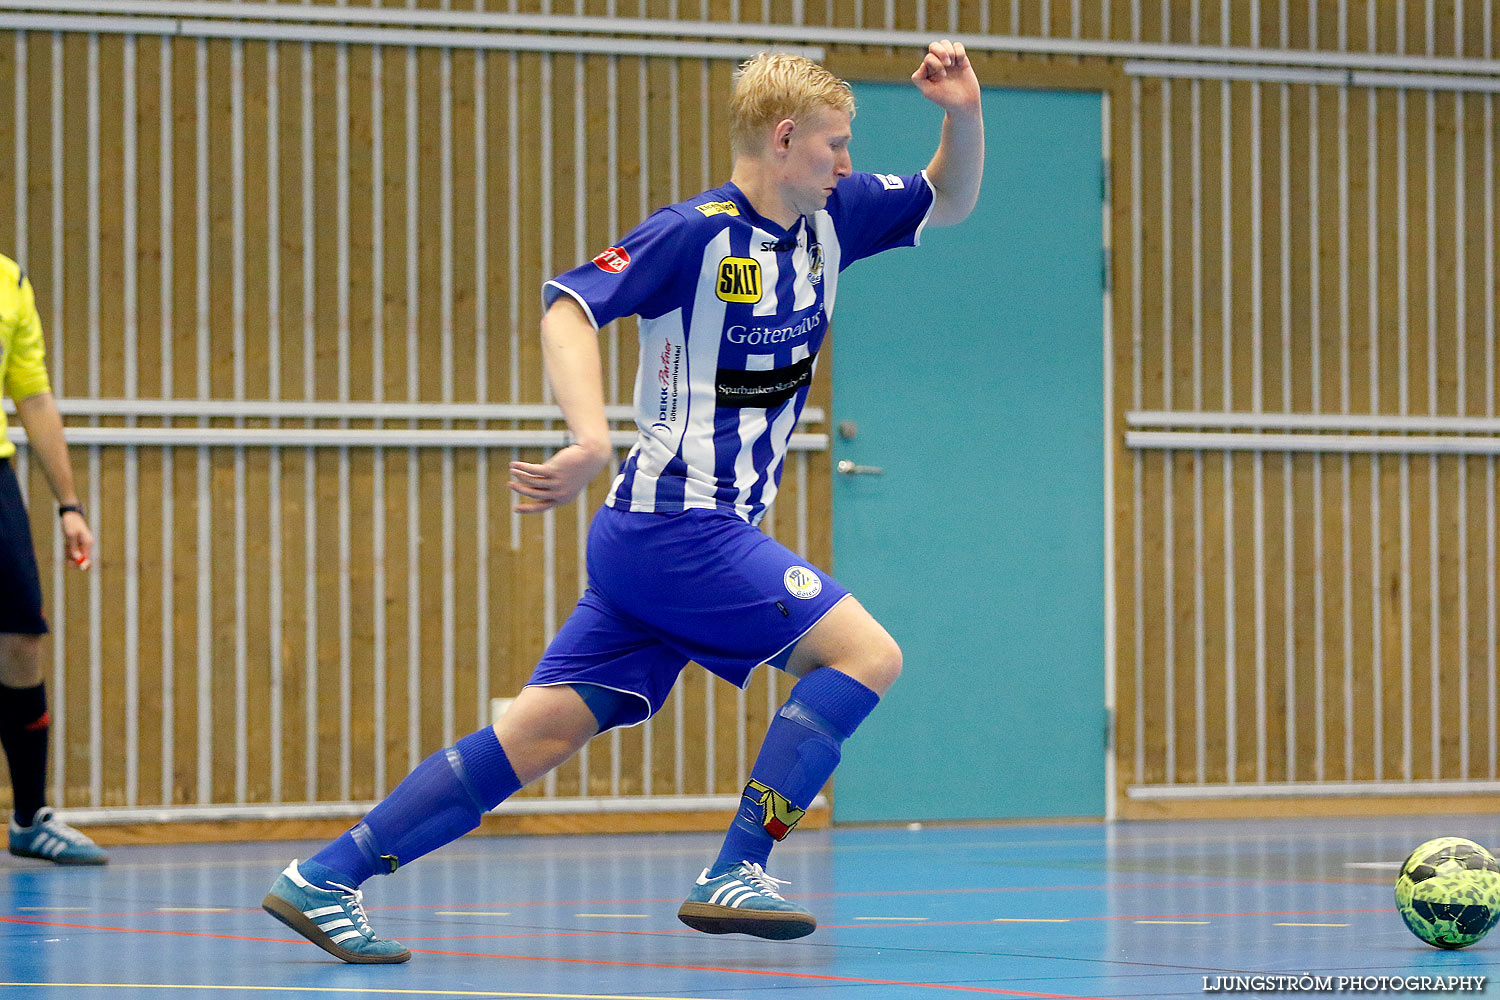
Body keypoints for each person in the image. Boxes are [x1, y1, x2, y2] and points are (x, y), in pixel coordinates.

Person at [262, 40, 983, 964]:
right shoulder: (693, 232)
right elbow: (566, 304)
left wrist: (961, 115)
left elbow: (949, 197)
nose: (848, 162)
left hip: (662, 544)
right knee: (864, 655)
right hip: (678, 523)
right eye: (835, 144)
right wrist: (591, 436)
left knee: (535, 733)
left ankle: (325, 877)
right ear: (784, 136)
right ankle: (737, 866)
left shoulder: (834, 217)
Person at [0, 252, 106, 866]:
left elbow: (33, 395)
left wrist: (70, 504)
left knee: (21, 639)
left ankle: (28, 817)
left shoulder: (11, 279)